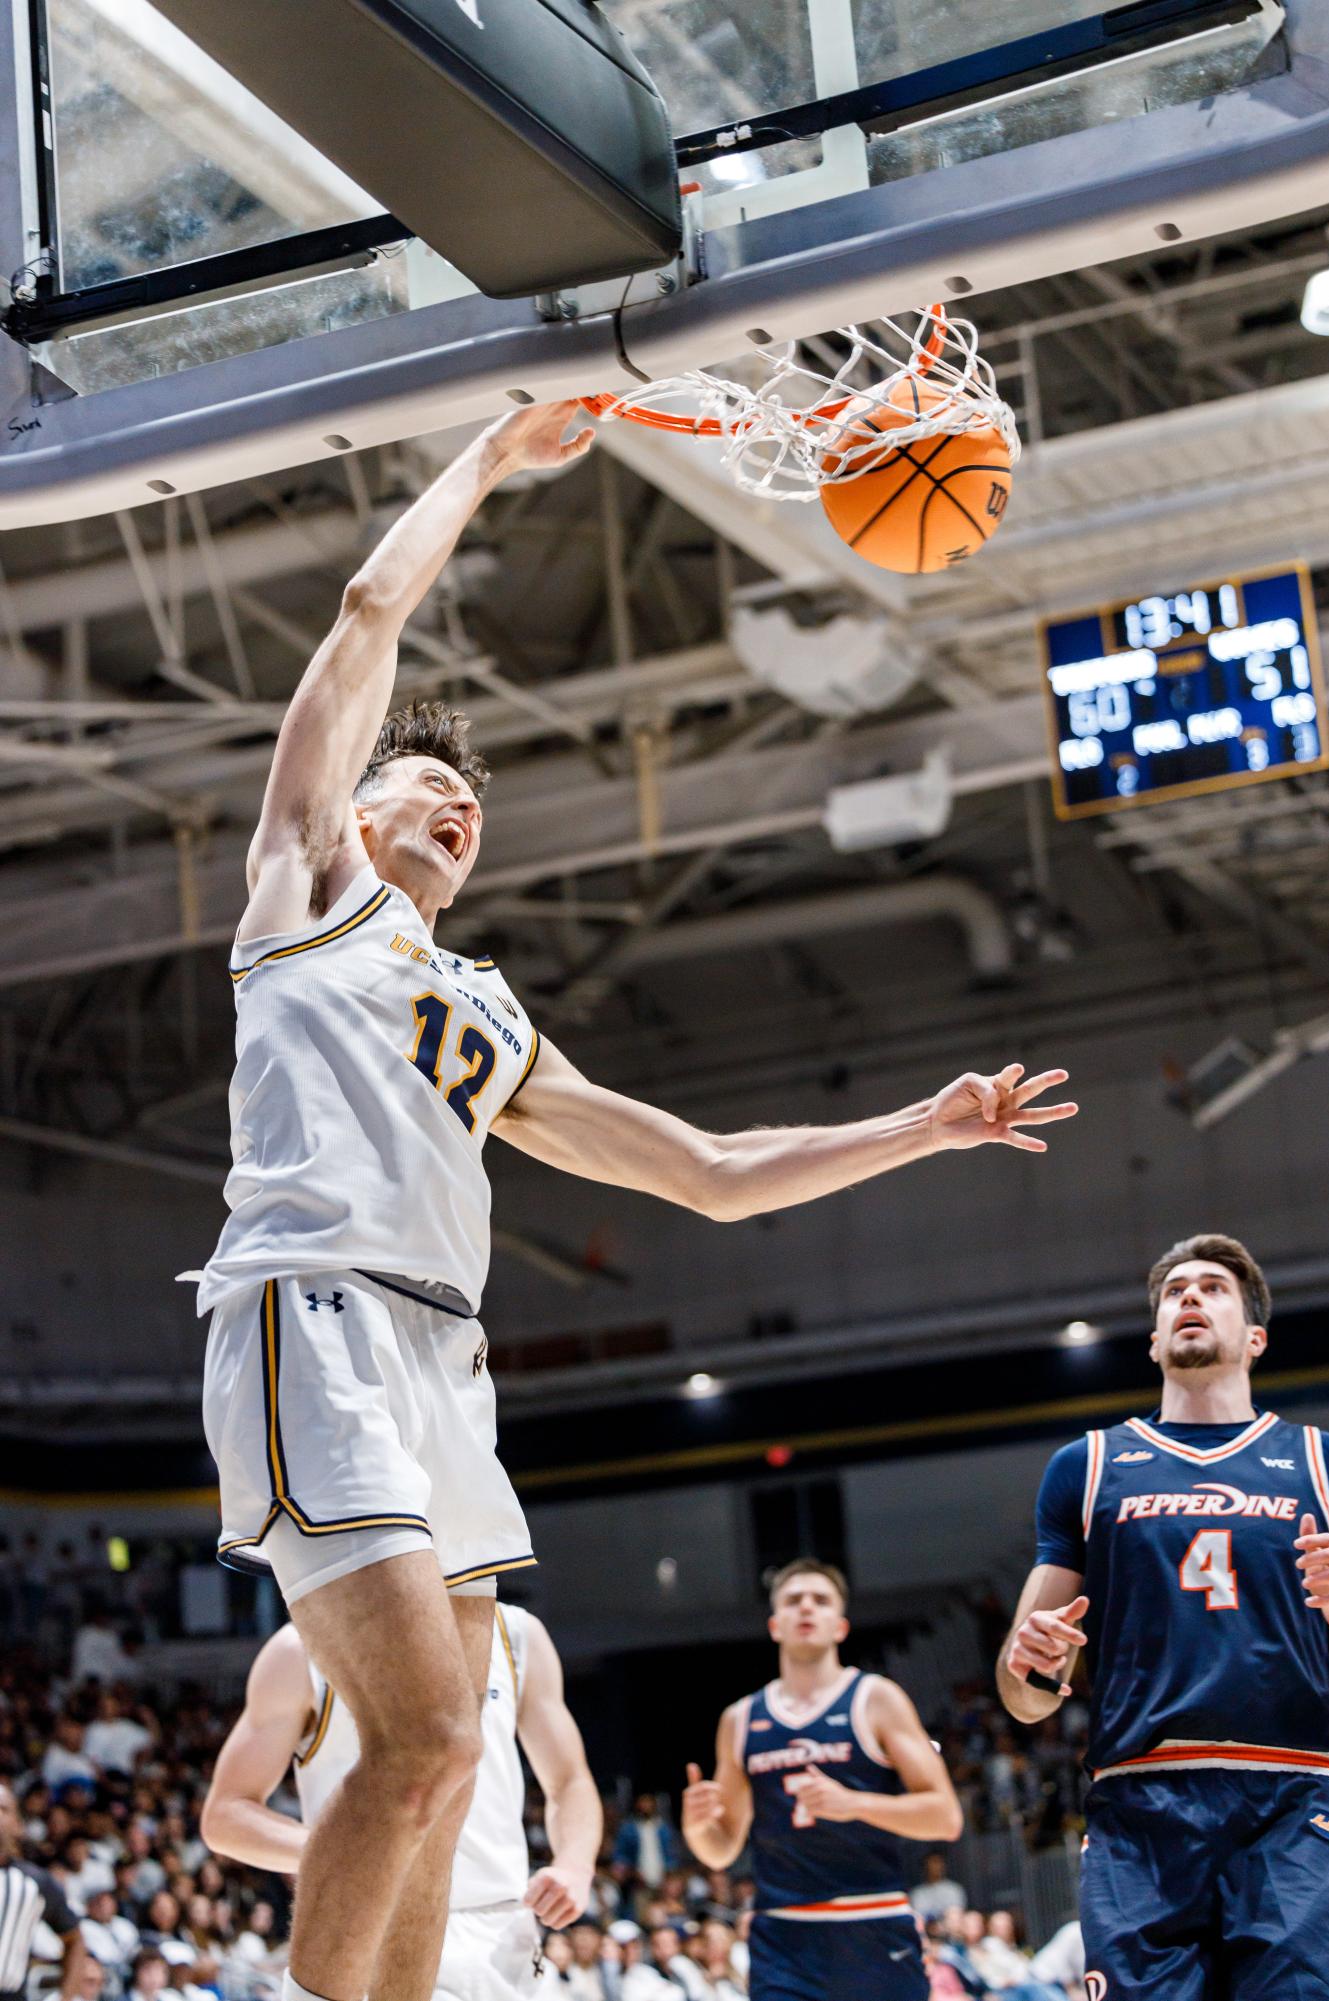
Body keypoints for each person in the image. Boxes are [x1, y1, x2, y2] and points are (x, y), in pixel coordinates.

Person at [194, 394, 1077, 2001]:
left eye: (474, 813)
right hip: (309, 1316)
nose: (456, 809)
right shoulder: (303, 884)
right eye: (424, 789)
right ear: (357, 805)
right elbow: (369, 610)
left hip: (443, 1364)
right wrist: (484, 462)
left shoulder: (484, 1010)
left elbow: (712, 1174)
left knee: (455, 1772)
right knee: (418, 1739)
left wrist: (922, 1128)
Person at [998, 1233, 1329, 2000]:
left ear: (1255, 1337)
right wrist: (1033, 1662)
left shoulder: (1323, 1462)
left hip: (1294, 1793)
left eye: (1214, 1287)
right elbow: (1024, 1696)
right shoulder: (1086, 1466)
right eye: (1175, 1290)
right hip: (1140, 1802)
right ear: (1153, 1341)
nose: (1190, 1296)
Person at [202, 1603, 599, 1999]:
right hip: (371, 1929)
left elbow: (570, 1781)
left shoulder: (516, 1633)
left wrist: (575, 1866)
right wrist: (347, 1856)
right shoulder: (302, 1647)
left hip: (502, 1932)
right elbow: (226, 1814)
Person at [682, 1560, 963, 2000]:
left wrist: (854, 1804)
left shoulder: (877, 1700)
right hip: (784, 1937)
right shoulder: (739, 1720)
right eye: (794, 1601)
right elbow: (721, 1850)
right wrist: (697, 1827)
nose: (806, 1608)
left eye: (821, 1600)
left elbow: (945, 1818)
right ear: (775, 1625)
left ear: (841, 1626)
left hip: (874, 1924)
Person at [0, 1780, 85, 2001]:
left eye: (3, 1809)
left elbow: (75, 1941)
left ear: (17, 1824)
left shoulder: (35, 1883)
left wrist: (66, 1996)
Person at [910, 1853, 966, 1923]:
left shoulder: (953, 1889)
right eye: (933, 1863)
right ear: (925, 1866)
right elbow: (917, 1916)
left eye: (940, 1863)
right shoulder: (917, 1892)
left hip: (950, 1930)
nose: (937, 1867)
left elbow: (957, 1914)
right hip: (925, 1930)